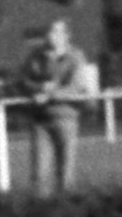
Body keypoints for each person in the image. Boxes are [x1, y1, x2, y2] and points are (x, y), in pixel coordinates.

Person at [16, 19, 100, 195]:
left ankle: (65, 207)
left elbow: (76, 86)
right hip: (40, 120)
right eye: (49, 31)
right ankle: (41, 209)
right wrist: (39, 87)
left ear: (66, 35)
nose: (51, 35)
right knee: (39, 176)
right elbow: (22, 81)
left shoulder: (75, 56)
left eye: (56, 31)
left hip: (66, 118)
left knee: (65, 175)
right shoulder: (36, 56)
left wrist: (49, 94)